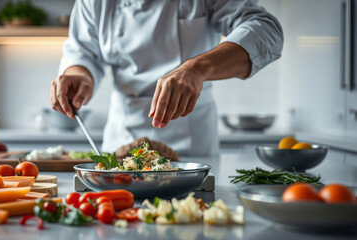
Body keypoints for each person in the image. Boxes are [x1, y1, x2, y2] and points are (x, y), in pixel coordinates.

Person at [50, 0, 283, 157]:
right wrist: (79, 74)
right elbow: (82, 51)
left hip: (191, 145)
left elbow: (266, 30)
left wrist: (197, 68)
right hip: (121, 138)